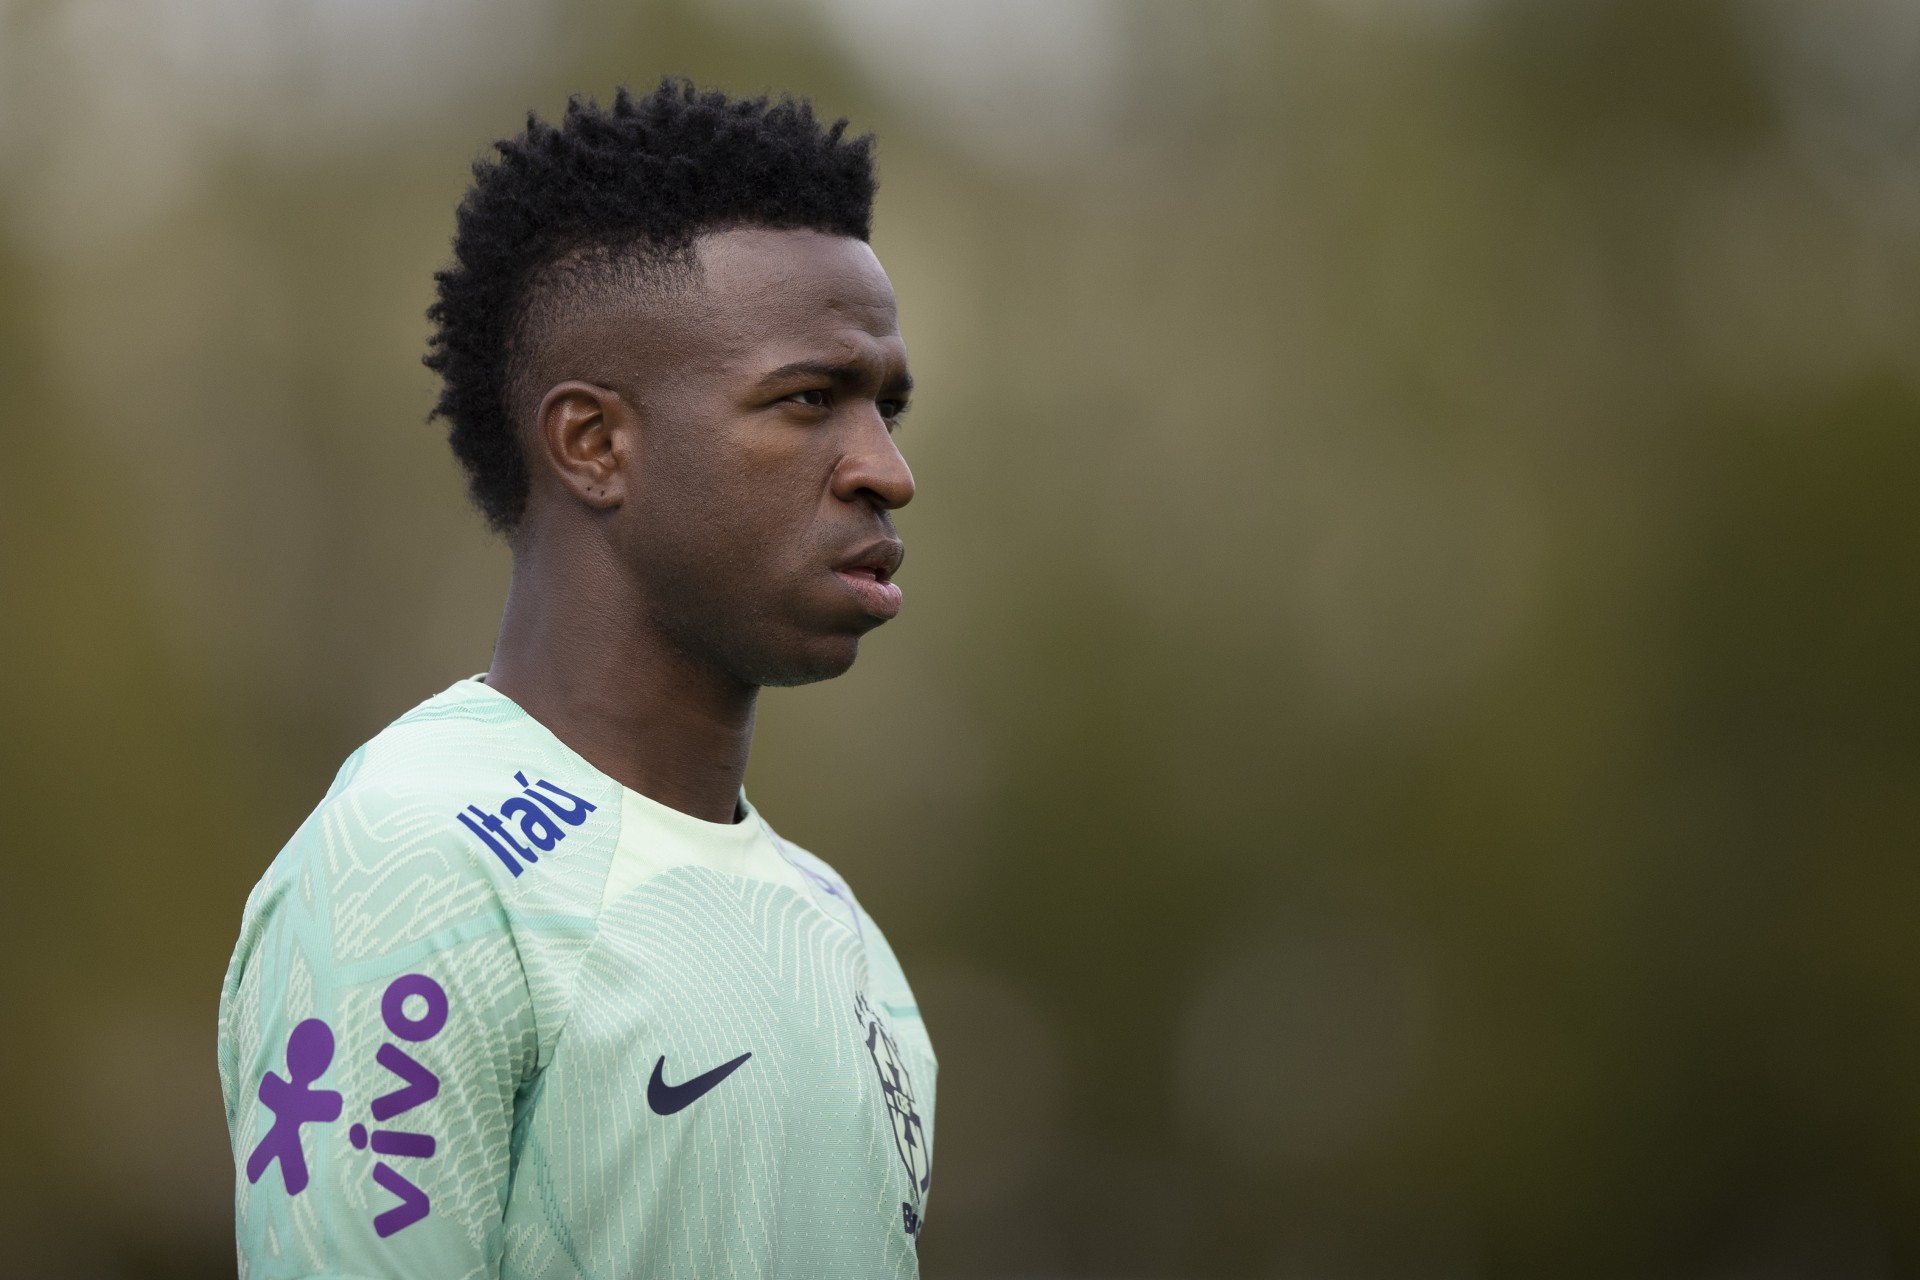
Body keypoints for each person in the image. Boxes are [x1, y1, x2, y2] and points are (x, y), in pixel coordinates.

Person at [217, 79, 935, 1279]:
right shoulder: (418, 863)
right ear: (595, 444)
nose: (887, 469)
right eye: (811, 399)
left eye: (887, 407)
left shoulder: (842, 935)